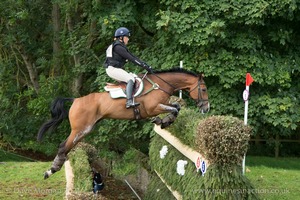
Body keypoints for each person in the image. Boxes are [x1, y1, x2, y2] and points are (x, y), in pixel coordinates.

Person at [104, 27, 153, 108]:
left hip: (115, 69)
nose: (128, 39)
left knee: (134, 77)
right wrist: (144, 66)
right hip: (112, 69)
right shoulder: (118, 47)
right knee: (131, 79)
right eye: (127, 37)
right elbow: (132, 59)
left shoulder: (118, 46)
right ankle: (129, 101)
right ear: (121, 38)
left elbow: (133, 57)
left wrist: (146, 64)